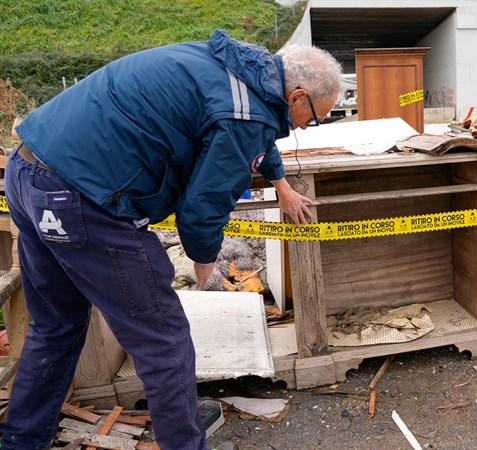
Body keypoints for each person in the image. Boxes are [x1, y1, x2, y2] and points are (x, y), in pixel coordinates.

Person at [1, 29, 342, 449]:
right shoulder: (245, 112)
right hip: (82, 196)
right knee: (164, 340)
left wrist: (280, 181)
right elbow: (203, 205)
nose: (305, 127)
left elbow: (255, 130)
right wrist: (204, 258)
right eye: (314, 118)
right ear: (297, 96)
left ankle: (20, 441)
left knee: (56, 325)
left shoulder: (240, 69)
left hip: (27, 171)